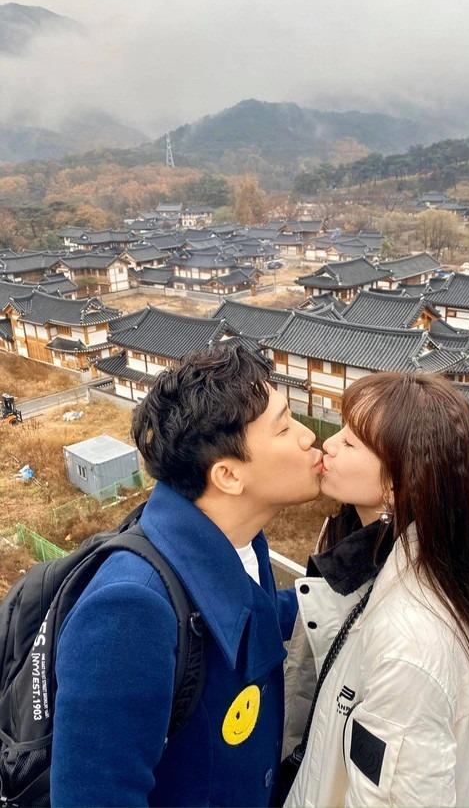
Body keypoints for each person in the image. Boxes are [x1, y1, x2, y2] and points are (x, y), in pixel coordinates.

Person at [51, 345, 323, 807]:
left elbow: (249, 612)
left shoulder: (236, 540)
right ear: (228, 476)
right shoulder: (129, 610)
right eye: (283, 427)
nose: (308, 436)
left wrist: (341, 594)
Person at [283, 371, 469, 808]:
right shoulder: (384, 556)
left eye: (351, 442)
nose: (328, 444)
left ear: (395, 485)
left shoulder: (412, 642)